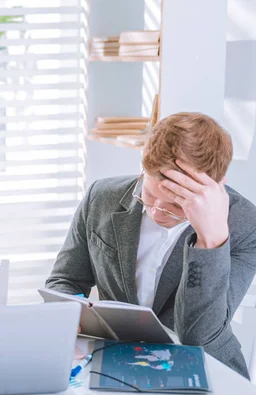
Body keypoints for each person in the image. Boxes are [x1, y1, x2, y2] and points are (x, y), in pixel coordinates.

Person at [45, 112, 256, 379]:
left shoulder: (244, 224)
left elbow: (198, 334)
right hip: (114, 360)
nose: (156, 212)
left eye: (176, 206)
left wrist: (209, 240)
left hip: (207, 369)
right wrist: (69, 317)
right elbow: (65, 280)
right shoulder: (102, 197)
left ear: (211, 190)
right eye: (149, 195)